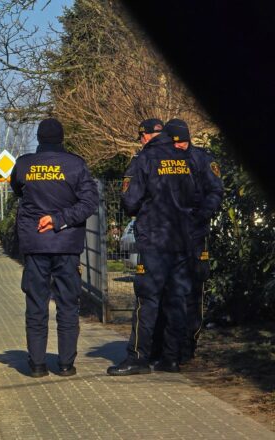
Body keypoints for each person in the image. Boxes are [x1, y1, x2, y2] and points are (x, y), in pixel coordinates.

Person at [107, 119, 198, 376]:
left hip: (155, 241)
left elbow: (130, 201)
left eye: (140, 137)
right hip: (182, 241)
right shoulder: (187, 159)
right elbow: (199, 196)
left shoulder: (144, 160)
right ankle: (171, 358)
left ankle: (138, 357)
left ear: (145, 136)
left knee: (146, 300)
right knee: (176, 299)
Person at [10, 117, 98, 377]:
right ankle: (66, 364)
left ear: (38, 138)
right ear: (62, 138)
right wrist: (60, 220)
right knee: (67, 305)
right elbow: (89, 203)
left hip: (35, 245)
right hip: (67, 245)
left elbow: (17, 190)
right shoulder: (76, 165)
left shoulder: (24, 164)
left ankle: (37, 365)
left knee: (36, 305)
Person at [149, 119, 224, 363]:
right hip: (168, 236)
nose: (179, 146)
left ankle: (188, 344)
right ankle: (166, 347)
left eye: (182, 141)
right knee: (168, 293)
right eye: (175, 142)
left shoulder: (202, 159)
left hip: (195, 235)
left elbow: (216, 191)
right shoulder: (162, 160)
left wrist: (202, 214)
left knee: (193, 292)